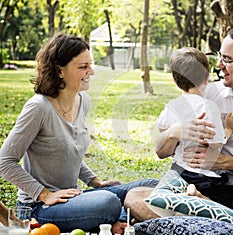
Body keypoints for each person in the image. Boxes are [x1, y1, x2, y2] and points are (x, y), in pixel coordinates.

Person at [125, 25, 233, 235]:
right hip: (198, 188)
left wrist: (225, 162)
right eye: (219, 56)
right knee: (134, 197)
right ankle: (231, 226)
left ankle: (223, 222)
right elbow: (162, 150)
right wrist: (173, 132)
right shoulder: (207, 93)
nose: (218, 65)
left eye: (227, 59)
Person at [0, 33, 157, 234]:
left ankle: (118, 217)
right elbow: (4, 161)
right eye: (83, 67)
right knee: (108, 201)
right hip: (39, 208)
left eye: (90, 64)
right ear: (59, 71)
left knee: (151, 185)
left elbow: (69, 151)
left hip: (74, 198)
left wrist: (95, 182)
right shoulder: (38, 108)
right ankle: (119, 217)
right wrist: (44, 194)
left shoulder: (83, 101)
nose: (91, 71)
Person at [157, 47, 233, 181]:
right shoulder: (209, 106)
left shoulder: (171, 106)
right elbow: (217, 143)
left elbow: (163, 131)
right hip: (203, 175)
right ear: (206, 78)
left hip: (177, 171)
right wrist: (229, 128)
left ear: (174, 81)